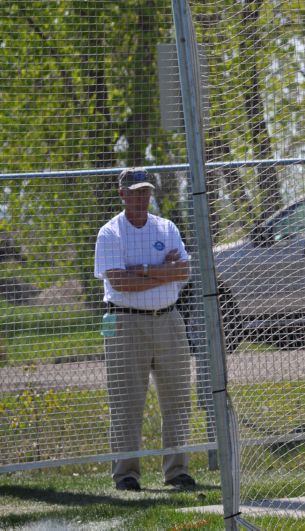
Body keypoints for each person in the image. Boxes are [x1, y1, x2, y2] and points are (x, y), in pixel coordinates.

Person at [94, 167, 196, 491]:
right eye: (134, 192)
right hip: (124, 322)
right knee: (126, 401)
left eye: (146, 191)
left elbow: (184, 271)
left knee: (178, 398)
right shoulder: (110, 233)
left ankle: (176, 471)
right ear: (122, 194)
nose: (141, 198)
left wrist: (146, 271)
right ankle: (126, 475)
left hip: (169, 319)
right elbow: (119, 282)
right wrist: (162, 271)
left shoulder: (166, 228)